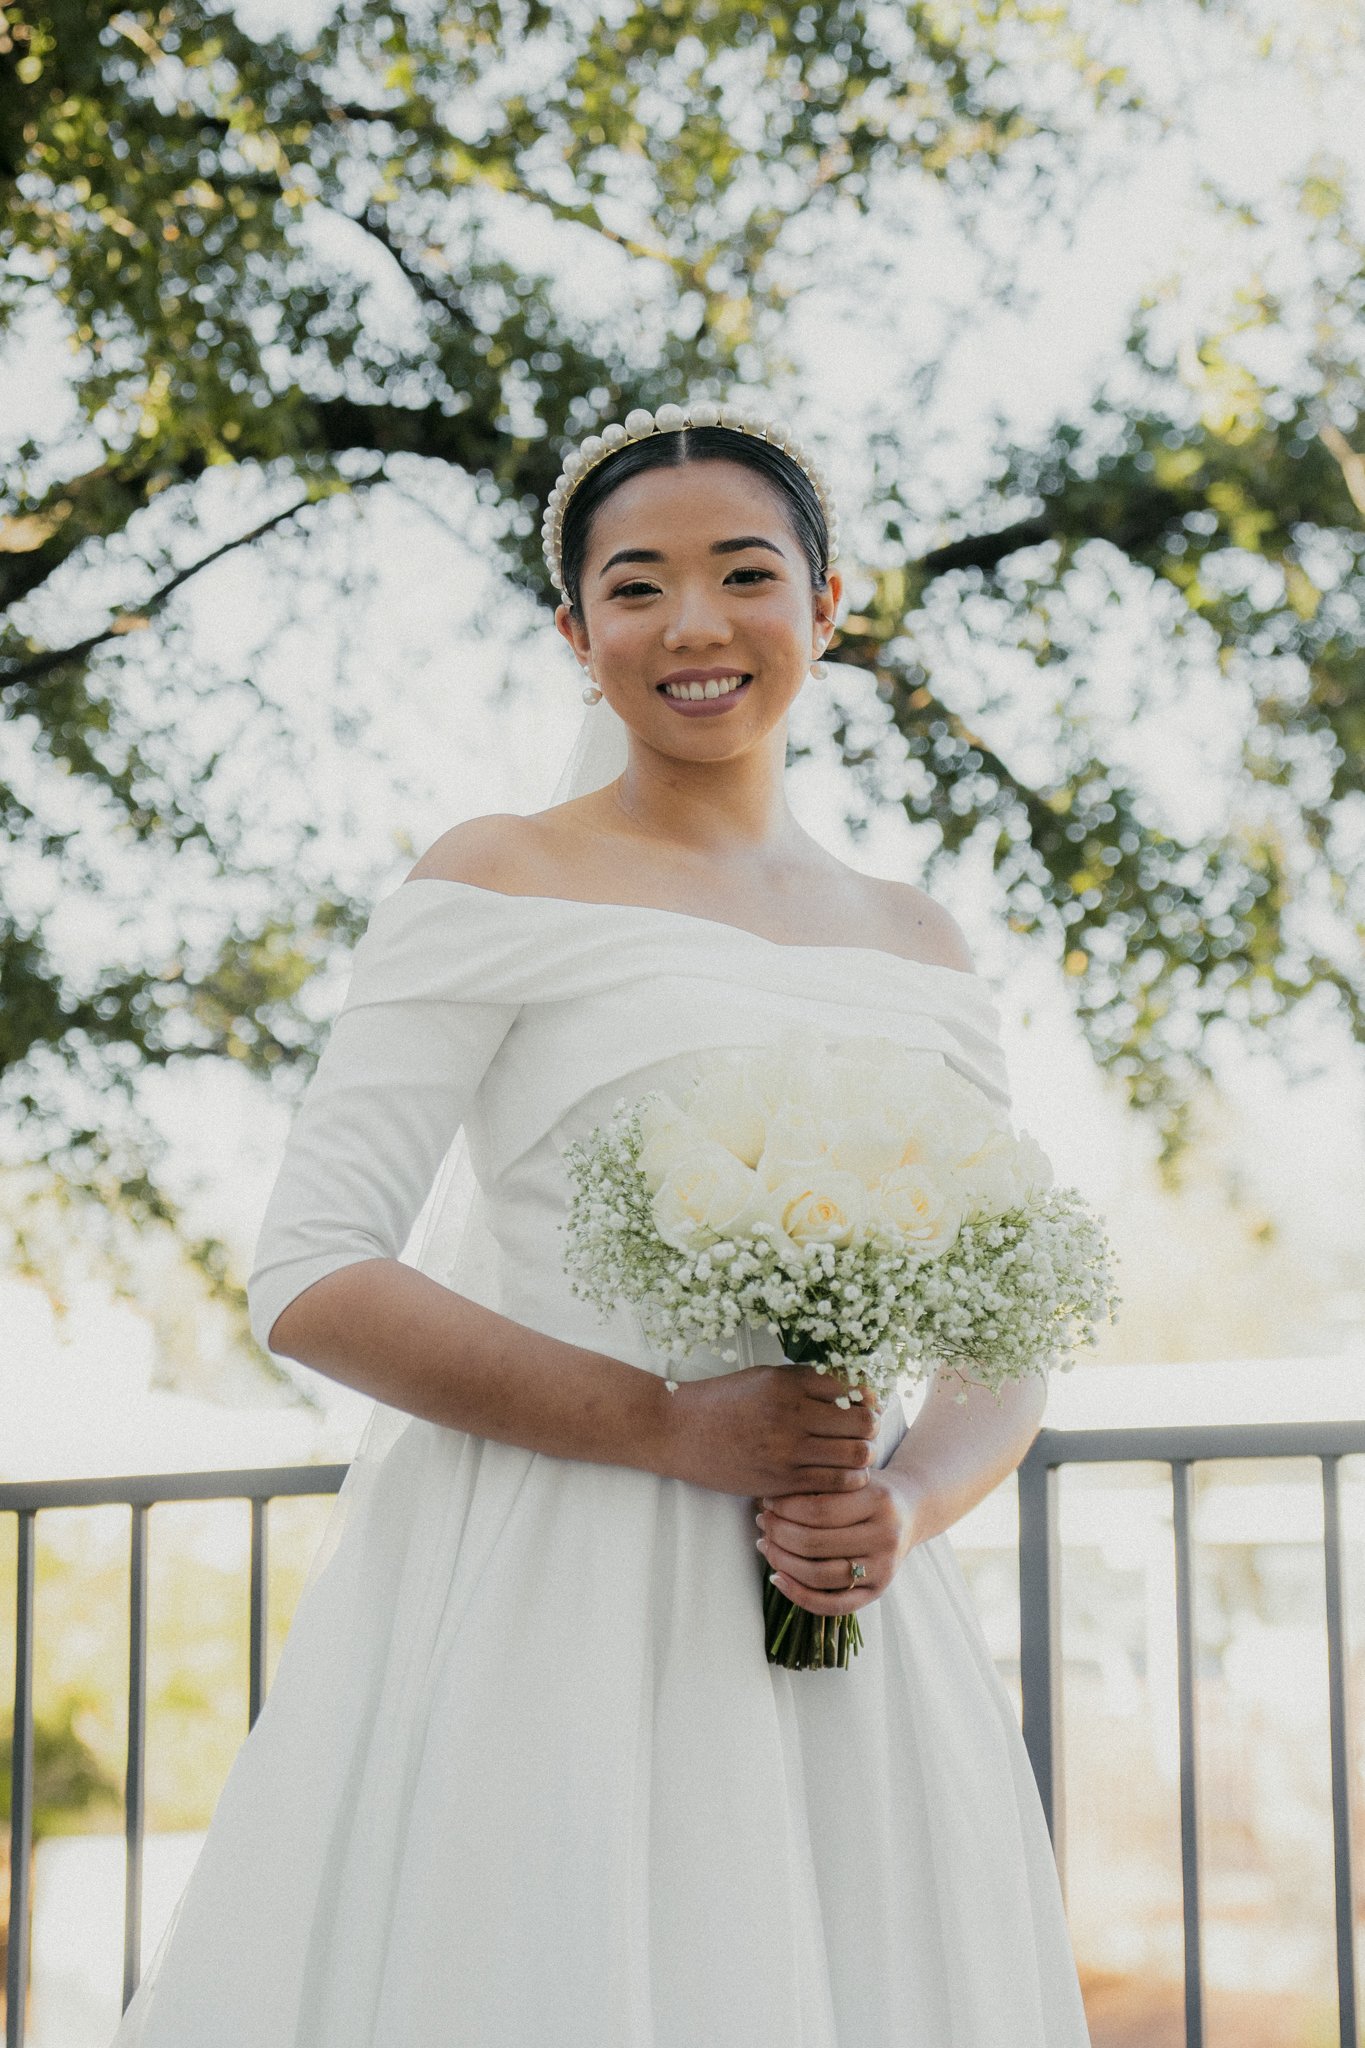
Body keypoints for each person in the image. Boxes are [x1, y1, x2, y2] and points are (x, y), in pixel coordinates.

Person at [108, 398, 1093, 2045]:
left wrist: (907, 1506)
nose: (692, 624)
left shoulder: (917, 939)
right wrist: (662, 1423)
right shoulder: (495, 875)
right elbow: (313, 1270)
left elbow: (1002, 1321)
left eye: (743, 574)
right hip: (553, 1596)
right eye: (635, 586)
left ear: (824, 605)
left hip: (844, 1615)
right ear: (576, 635)